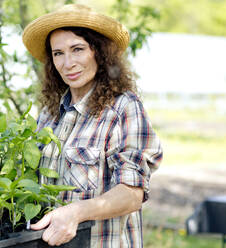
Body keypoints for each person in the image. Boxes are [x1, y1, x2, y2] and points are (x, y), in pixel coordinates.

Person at [22, 4, 163, 248]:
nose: (68, 63)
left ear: (98, 52)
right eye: (58, 53)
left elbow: (132, 194)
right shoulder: (49, 114)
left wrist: (75, 213)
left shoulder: (123, 108)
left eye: (77, 49)